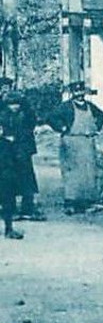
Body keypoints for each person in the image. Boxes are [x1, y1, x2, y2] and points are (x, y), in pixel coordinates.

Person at [48, 82, 103, 214]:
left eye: (81, 92)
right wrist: (61, 127)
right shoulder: (66, 106)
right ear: (72, 93)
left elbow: (102, 116)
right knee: (72, 172)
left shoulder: (90, 106)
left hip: (87, 141)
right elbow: (51, 118)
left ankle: (87, 202)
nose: (79, 95)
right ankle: (70, 202)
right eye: (76, 92)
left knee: (89, 172)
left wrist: (96, 127)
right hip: (71, 141)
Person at [0, 92, 45, 220]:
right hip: (7, 152)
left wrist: (18, 138)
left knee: (26, 179)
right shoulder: (3, 115)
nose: (14, 107)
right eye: (11, 104)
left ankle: (27, 208)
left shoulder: (27, 115)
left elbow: (29, 130)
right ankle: (10, 208)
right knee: (8, 179)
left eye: (17, 104)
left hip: (23, 150)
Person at [0, 111, 23, 239]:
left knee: (8, 202)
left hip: (5, 178)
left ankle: (9, 229)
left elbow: (16, 161)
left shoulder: (7, 145)